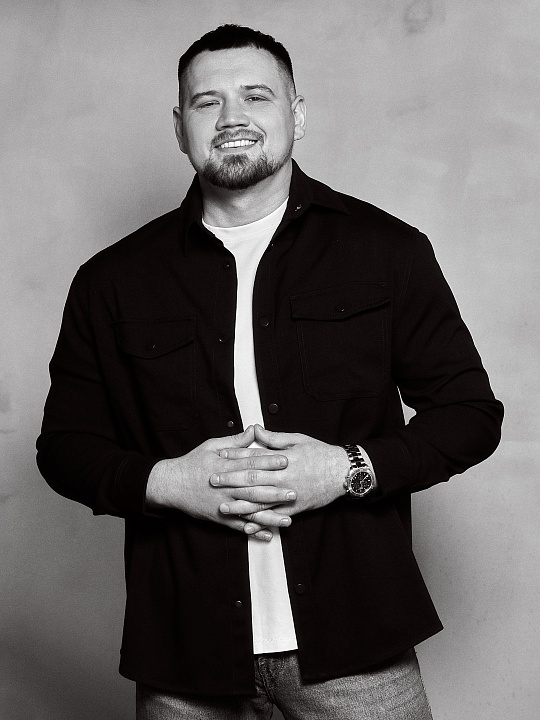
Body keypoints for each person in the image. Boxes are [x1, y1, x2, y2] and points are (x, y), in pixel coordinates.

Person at [37, 24, 503, 720]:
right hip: (186, 658)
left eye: (256, 96)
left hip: (358, 648)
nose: (232, 118)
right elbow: (64, 448)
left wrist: (346, 469)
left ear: (297, 114)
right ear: (179, 128)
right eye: (207, 102)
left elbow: (470, 416)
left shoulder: (387, 251)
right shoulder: (112, 281)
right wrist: (166, 482)